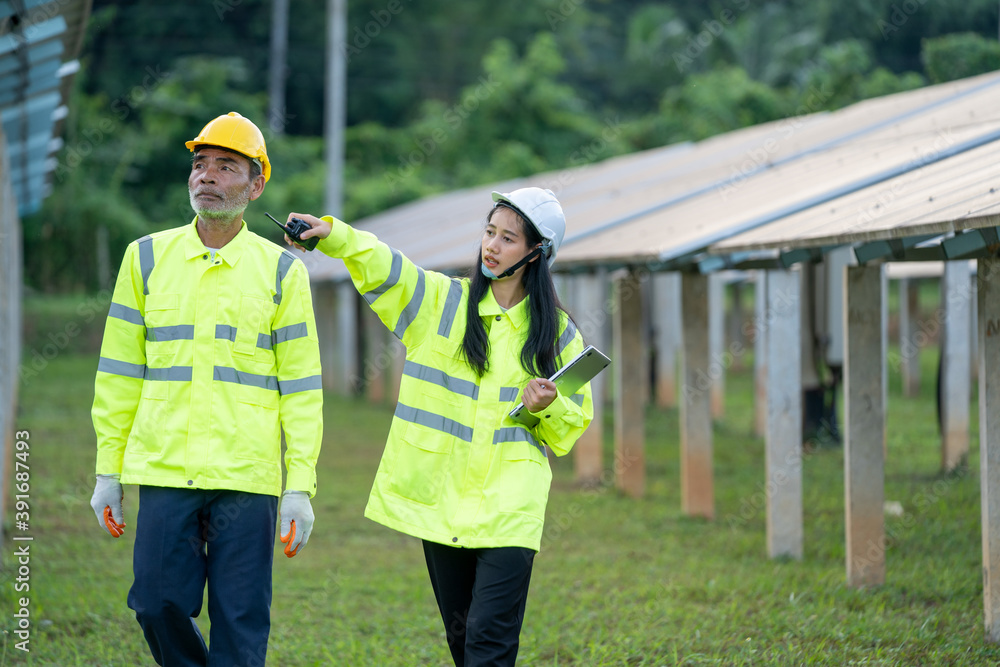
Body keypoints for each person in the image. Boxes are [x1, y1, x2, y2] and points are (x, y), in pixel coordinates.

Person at [286, 186, 593, 666]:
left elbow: (571, 428)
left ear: (536, 253)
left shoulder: (559, 333)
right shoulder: (441, 304)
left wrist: (546, 405)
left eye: (508, 238)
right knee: (463, 640)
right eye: (489, 232)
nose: (491, 246)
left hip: (511, 506)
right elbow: (389, 267)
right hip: (441, 500)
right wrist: (335, 237)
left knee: (488, 641)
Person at [89, 111, 324, 667]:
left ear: (256, 184)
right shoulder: (144, 258)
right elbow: (119, 372)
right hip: (165, 468)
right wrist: (108, 470)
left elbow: (302, 388)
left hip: (247, 476)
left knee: (240, 624)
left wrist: (300, 485)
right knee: (154, 602)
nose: (207, 176)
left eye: (226, 166)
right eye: (199, 165)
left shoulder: (282, 274)